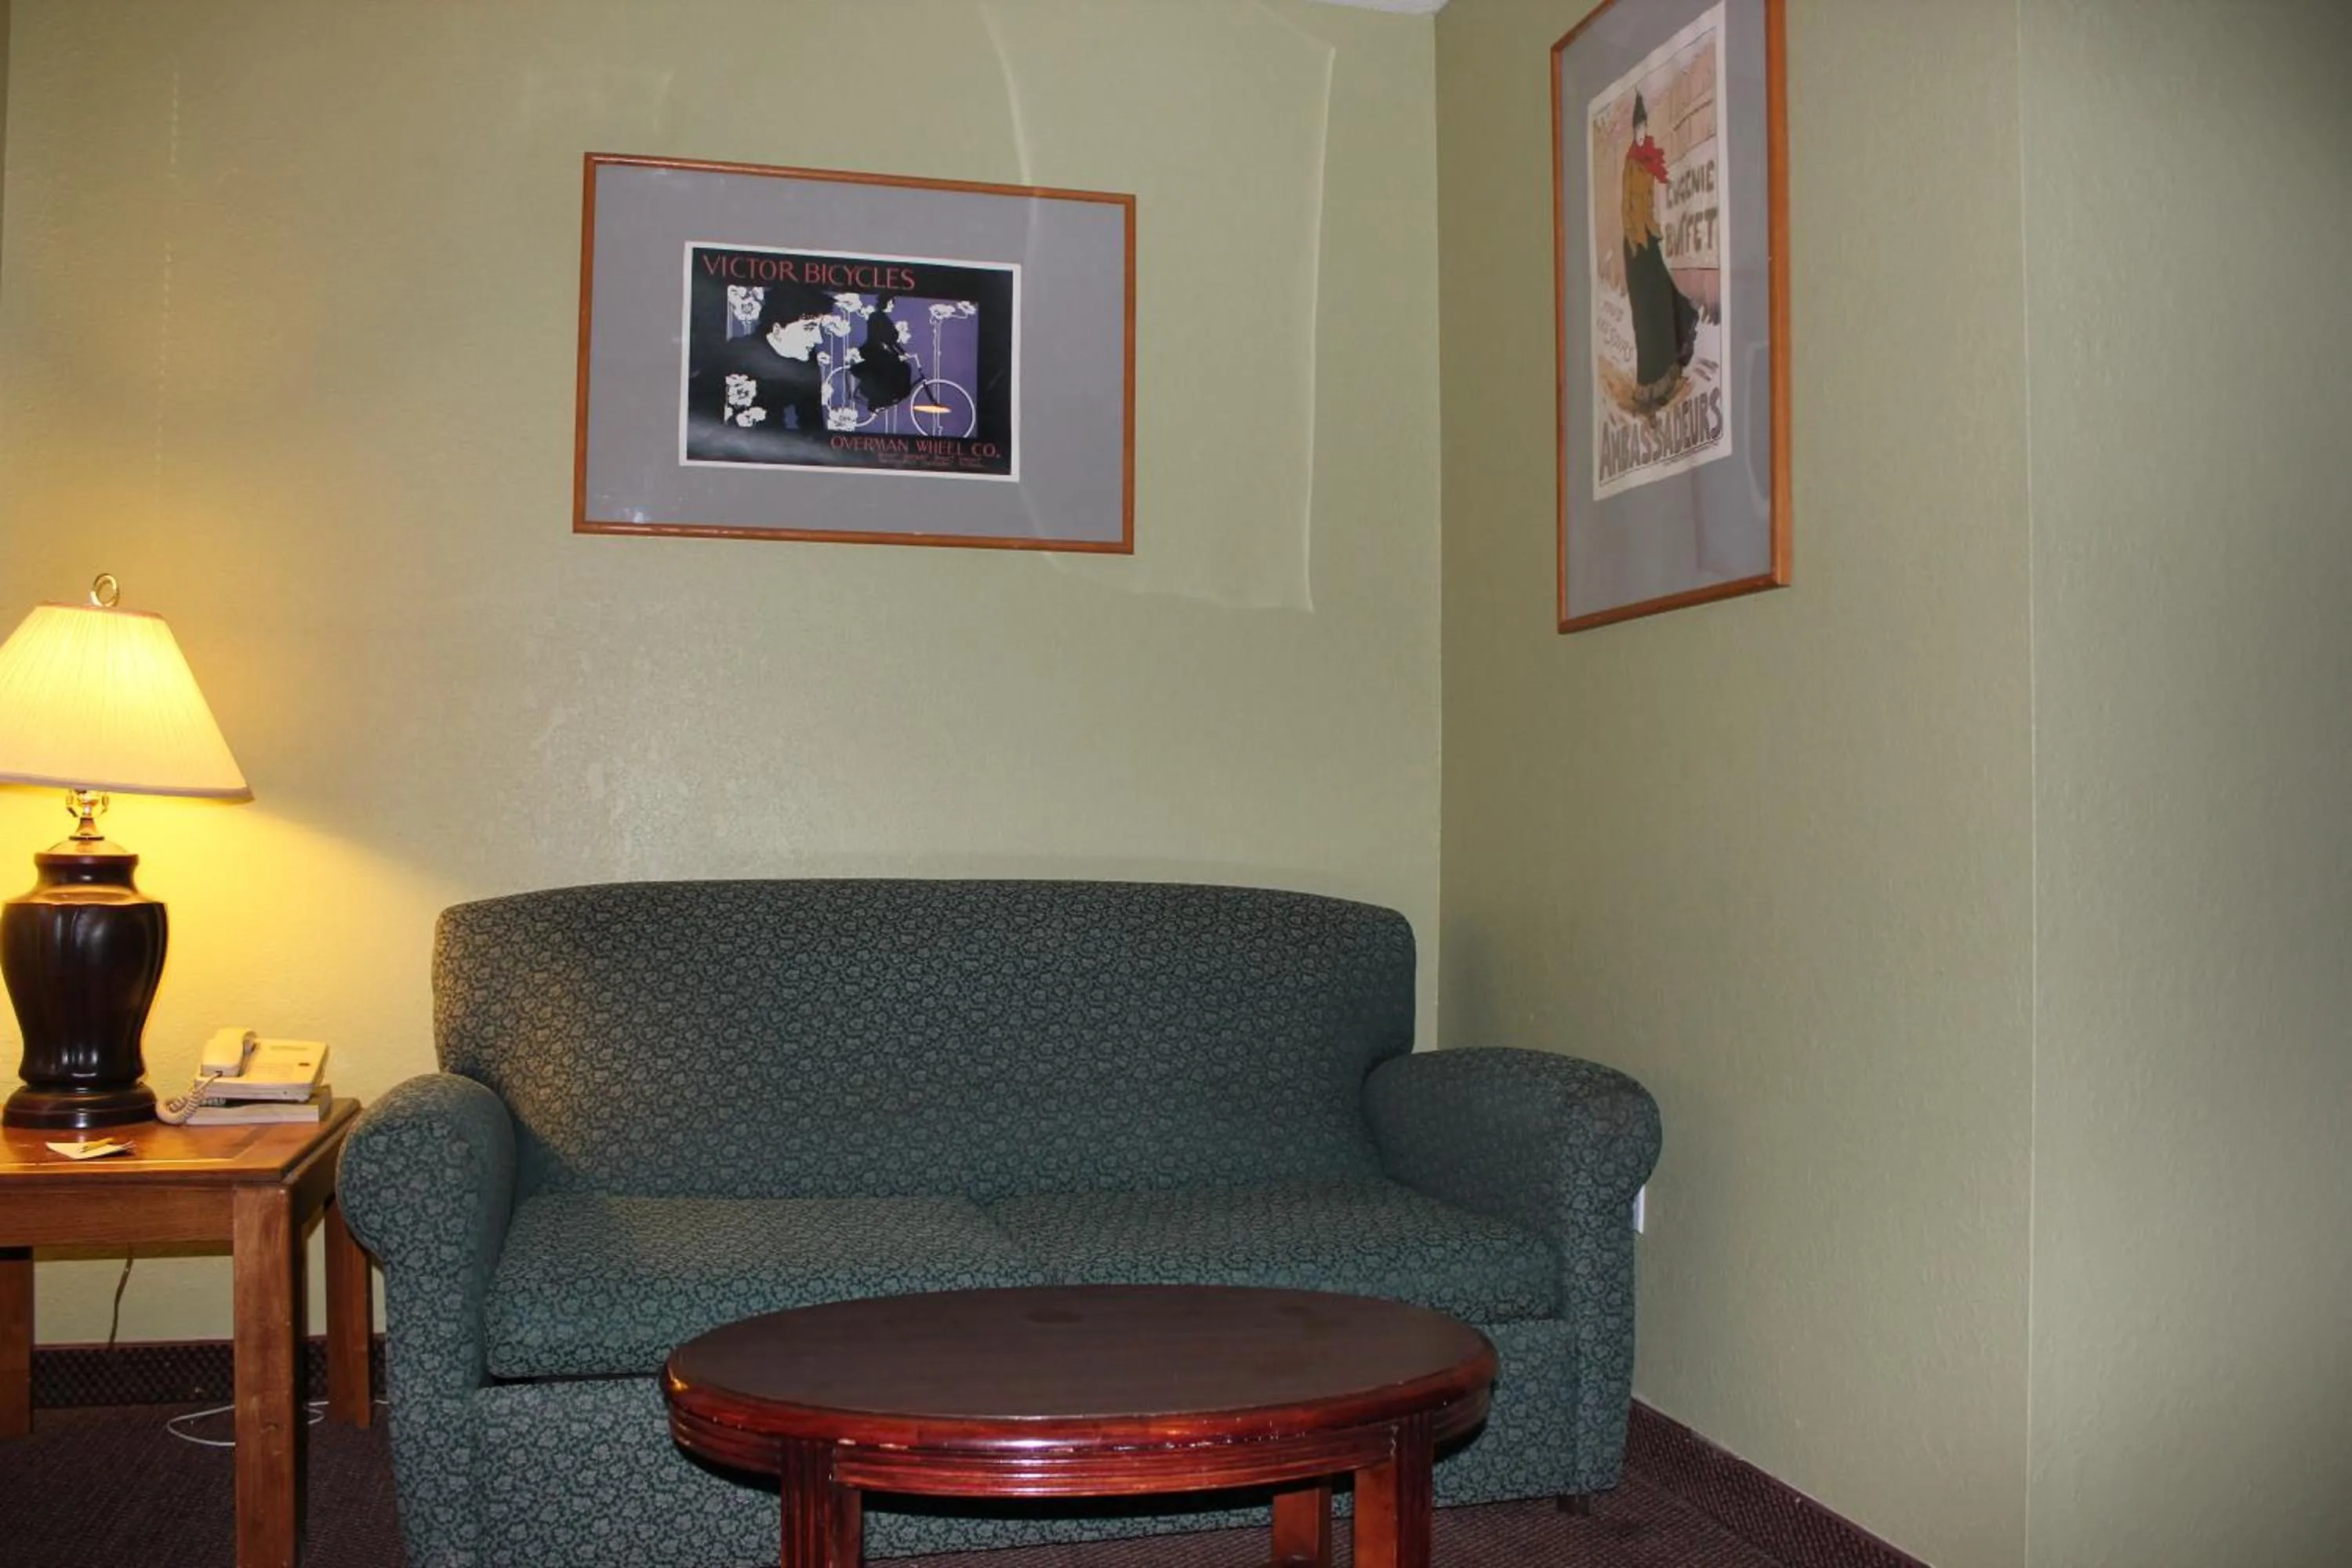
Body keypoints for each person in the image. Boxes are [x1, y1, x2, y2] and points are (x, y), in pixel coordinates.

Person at [1619, 92, 1699, 412]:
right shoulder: (1630, 162)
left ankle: (1671, 365)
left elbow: (1649, 200)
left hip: (1648, 236)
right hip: (1635, 241)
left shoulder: (1648, 154)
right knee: (1646, 311)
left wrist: (1653, 228)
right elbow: (1629, 205)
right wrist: (1637, 235)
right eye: (1638, 127)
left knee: (1663, 299)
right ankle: (1650, 384)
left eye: (1644, 127)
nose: (1642, 132)